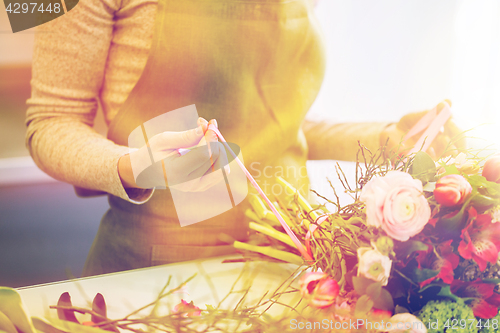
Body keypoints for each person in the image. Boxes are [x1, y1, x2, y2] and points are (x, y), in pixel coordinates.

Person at [25, 0, 462, 277]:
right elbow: (50, 123)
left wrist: (387, 140)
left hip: (291, 261)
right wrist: (136, 166)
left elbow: (278, 125)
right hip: (154, 272)